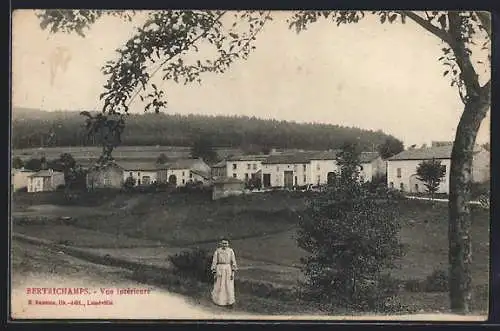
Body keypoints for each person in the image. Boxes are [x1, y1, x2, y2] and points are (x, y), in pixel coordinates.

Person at [210, 238, 238, 307]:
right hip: (220, 268)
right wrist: (214, 270)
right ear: (220, 244)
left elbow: (233, 261)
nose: (224, 245)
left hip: (228, 268)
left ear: (228, 244)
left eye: (226, 243)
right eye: (223, 243)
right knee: (220, 284)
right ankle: (219, 301)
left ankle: (229, 301)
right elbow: (214, 261)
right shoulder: (218, 251)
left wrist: (233, 272)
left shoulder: (231, 251)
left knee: (228, 285)